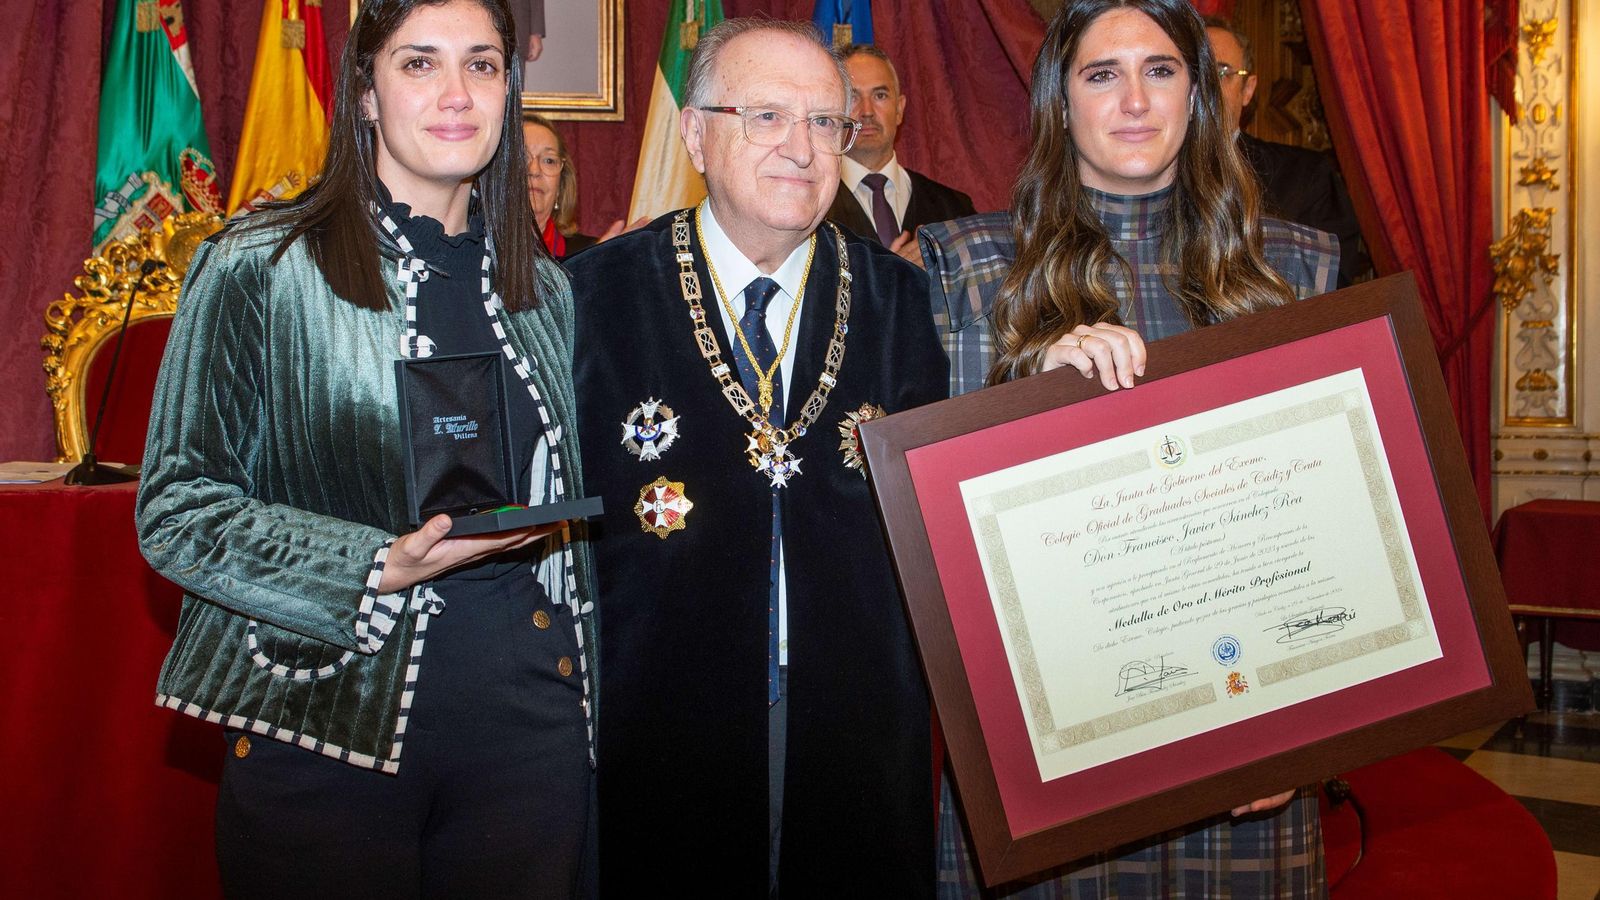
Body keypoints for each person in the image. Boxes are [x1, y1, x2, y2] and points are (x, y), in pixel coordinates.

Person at [136, 1, 597, 896]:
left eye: (484, 64)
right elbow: (176, 512)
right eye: (420, 64)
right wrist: (376, 562)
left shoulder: (545, 289)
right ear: (365, 92)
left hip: (526, 730)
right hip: (325, 723)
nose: (457, 94)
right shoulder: (260, 266)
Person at [918, 0, 1337, 895]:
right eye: (1102, 75)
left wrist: (1312, 728)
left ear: (1203, 94)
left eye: (1161, 70)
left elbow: (1330, 532)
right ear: (1059, 105)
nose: (1135, 99)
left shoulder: (1296, 272)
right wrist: (1025, 388)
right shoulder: (965, 270)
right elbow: (923, 528)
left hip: (1247, 751)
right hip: (1044, 750)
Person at [565, 17, 946, 895]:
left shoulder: (909, 305)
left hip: (857, 722)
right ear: (696, 133)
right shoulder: (590, 299)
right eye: (766, 116)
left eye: (824, 122)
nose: (802, 149)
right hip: (654, 725)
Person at [1204, 16, 1368, 286]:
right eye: (1197, 71)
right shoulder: (1144, 174)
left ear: (1248, 89)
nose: (1209, 85)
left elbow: (1331, 283)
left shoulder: (1306, 176)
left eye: (1222, 72)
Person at [825, 43, 976, 267]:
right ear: (834, 111)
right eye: (853, 97)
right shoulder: (812, 208)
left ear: (900, 109)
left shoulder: (955, 209)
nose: (867, 111)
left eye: (880, 95)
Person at [524, 113, 598, 258]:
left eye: (549, 161)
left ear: (560, 186)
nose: (534, 171)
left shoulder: (590, 254)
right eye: (521, 157)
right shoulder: (475, 249)